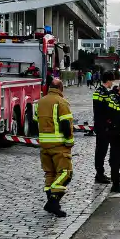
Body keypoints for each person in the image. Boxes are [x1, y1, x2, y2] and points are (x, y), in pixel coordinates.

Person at [37, 78, 75, 217]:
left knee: (50, 174)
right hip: (59, 144)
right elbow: (66, 124)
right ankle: (53, 202)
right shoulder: (61, 102)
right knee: (66, 173)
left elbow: (37, 120)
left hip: (44, 144)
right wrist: (69, 141)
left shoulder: (40, 102)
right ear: (60, 88)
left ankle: (52, 202)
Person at [92, 70, 117, 184]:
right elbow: (105, 110)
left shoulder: (101, 92)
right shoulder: (103, 93)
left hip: (101, 125)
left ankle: (100, 173)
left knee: (102, 150)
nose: (112, 83)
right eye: (112, 81)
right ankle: (99, 174)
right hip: (103, 126)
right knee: (101, 151)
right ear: (108, 80)